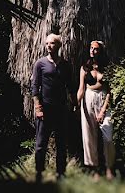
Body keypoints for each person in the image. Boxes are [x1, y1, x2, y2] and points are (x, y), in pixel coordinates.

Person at [30, 33, 76, 183]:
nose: (49, 46)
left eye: (52, 43)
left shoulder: (66, 65)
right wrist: (38, 107)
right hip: (45, 109)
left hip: (61, 109)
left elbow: (70, 87)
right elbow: (35, 86)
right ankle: (39, 173)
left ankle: (61, 173)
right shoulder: (40, 64)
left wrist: (74, 103)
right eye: (47, 43)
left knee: (61, 143)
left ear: (58, 45)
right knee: (40, 143)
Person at [76, 40, 115, 179]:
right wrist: (77, 103)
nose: (92, 50)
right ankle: (95, 170)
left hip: (103, 98)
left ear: (101, 51)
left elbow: (111, 90)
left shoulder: (107, 67)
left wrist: (104, 109)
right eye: (91, 48)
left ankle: (109, 168)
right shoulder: (84, 68)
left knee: (108, 136)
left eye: (96, 49)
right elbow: (81, 88)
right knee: (89, 136)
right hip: (88, 98)